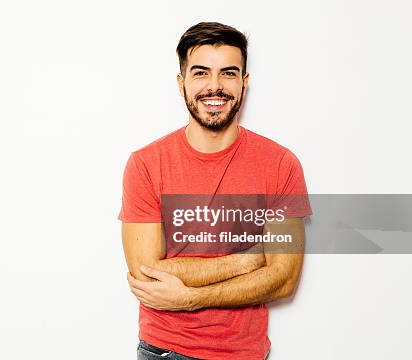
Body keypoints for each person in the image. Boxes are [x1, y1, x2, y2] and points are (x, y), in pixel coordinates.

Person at [118, 22, 312, 360]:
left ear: (244, 83)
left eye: (228, 73)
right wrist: (247, 260)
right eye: (200, 73)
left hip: (245, 354)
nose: (214, 86)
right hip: (166, 351)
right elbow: (146, 273)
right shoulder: (146, 164)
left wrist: (191, 297)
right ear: (181, 83)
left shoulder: (281, 165)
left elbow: (283, 280)